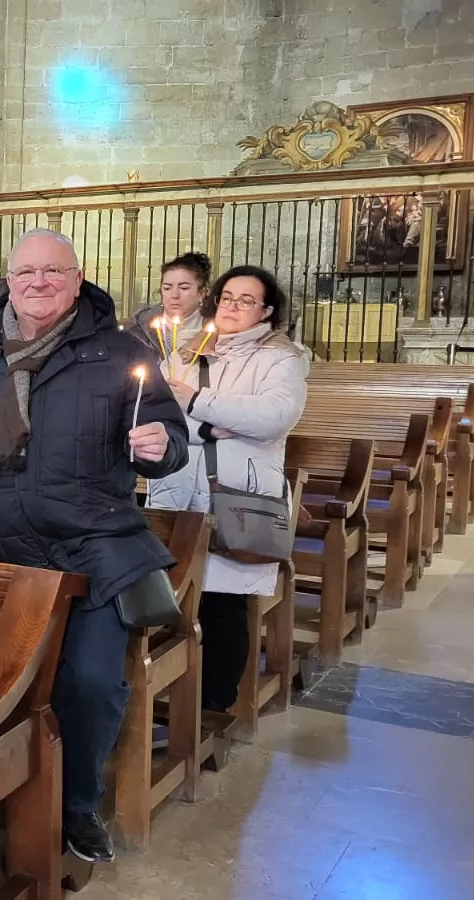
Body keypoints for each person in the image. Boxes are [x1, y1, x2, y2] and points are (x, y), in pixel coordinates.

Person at [0, 228, 189, 864]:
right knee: (12, 684)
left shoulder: (118, 351)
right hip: (7, 554)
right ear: (8, 280)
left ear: (77, 280)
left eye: (54, 271)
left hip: (96, 548)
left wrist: (160, 447)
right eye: (26, 272)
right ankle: (13, 790)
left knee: (90, 682)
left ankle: (76, 804)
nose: (39, 282)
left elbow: (170, 434)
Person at [145, 265, 308, 713]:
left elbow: (273, 417)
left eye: (246, 300)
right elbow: (157, 416)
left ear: (266, 310)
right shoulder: (186, 349)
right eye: (228, 297)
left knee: (222, 601)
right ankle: (171, 691)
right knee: (176, 597)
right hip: (180, 487)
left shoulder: (281, 358)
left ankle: (214, 704)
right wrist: (213, 428)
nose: (233, 306)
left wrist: (197, 402)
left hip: (239, 493)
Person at [130, 252, 211, 355]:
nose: (174, 295)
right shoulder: (140, 327)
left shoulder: (216, 328)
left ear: (201, 293)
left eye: (184, 288)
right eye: (167, 288)